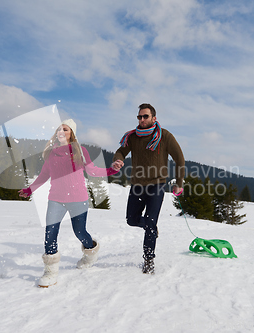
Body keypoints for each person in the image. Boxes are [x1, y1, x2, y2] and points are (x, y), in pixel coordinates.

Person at [19, 119, 121, 287]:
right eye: (59, 129)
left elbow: (92, 171)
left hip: (78, 199)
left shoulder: (81, 151)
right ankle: (50, 271)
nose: (61, 131)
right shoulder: (51, 153)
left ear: (71, 133)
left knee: (80, 232)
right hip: (56, 200)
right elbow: (44, 175)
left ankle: (91, 251)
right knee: (50, 233)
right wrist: (30, 190)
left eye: (65, 129)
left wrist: (112, 170)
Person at [113, 104, 185, 274]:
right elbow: (120, 151)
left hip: (157, 184)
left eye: (145, 116)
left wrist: (179, 183)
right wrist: (118, 159)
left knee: (151, 222)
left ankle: (148, 259)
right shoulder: (132, 137)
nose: (142, 120)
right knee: (131, 219)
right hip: (137, 185)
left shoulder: (165, 136)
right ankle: (150, 226)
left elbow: (179, 159)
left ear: (154, 118)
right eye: (139, 117)